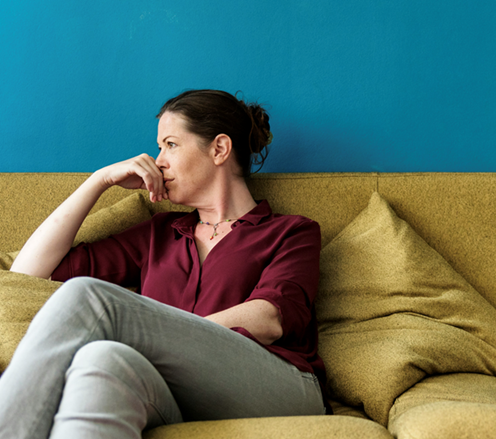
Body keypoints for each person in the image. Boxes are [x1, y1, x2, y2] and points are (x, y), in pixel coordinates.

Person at [0, 89, 327, 439]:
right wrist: (99, 180)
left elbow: (268, 318)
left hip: (278, 385)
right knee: (101, 361)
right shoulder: (159, 233)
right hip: (177, 393)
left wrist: (156, 333)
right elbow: (30, 273)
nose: (158, 161)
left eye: (170, 145)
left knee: (91, 298)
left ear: (219, 149)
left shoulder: (292, 231)